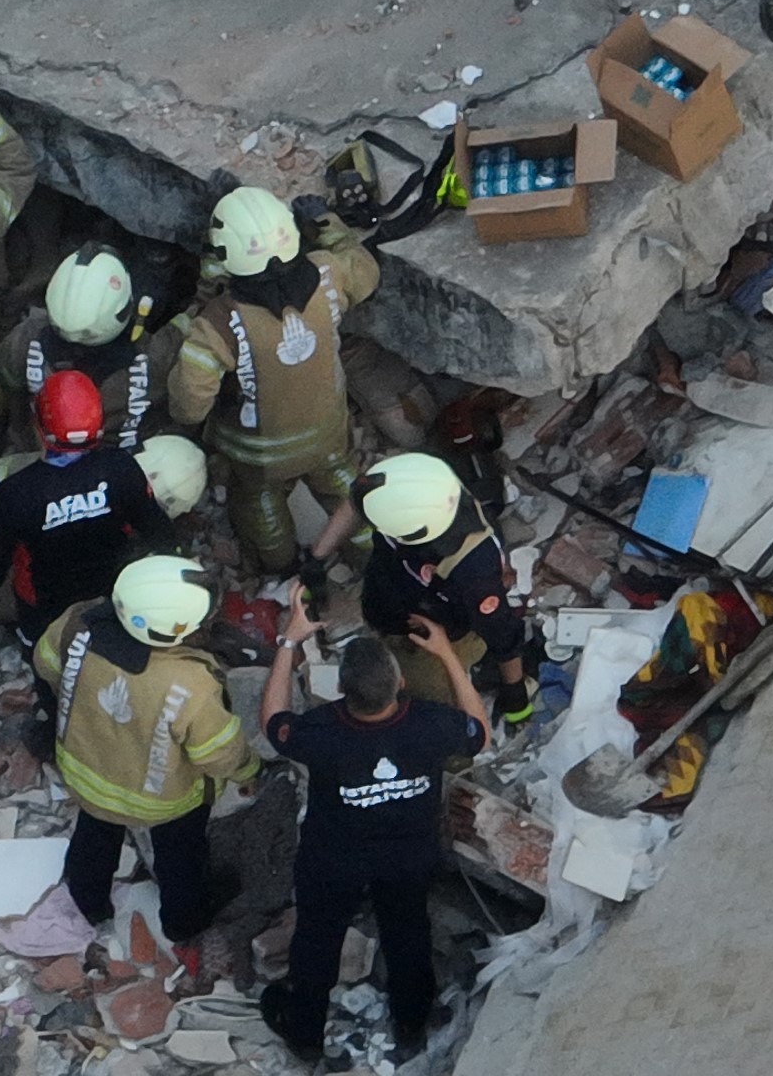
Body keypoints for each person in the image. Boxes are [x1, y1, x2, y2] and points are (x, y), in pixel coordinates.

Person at [253, 614, 486, 1065]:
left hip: (334, 858)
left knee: (317, 941)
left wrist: (288, 643)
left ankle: (305, 1033)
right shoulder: (432, 724)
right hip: (408, 855)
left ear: (343, 691)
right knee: (407, 933)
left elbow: (273, 722)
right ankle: (411, 1022)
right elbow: (479, 730)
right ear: (399, 683)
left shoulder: (321, 730)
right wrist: (447, 655)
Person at [33, 559, 255, 952]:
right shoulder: (192, 683)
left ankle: (88, 901)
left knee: (95, 837)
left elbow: (47, 664)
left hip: (86, 771)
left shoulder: (80, 622)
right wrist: (248, 768)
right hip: (164, 801)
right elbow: (217, 755)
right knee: (180, 859)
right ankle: (184, 923)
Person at [170, 187, 376, 574]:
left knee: (260, 507)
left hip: (257, 454)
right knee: (344, 489)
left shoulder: (217, 322)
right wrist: (327, 225)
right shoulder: (328, 274)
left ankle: (279, 567)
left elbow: (189, 402)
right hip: (327, 430)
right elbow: (366, 273)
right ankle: (370, 556)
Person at [0, 372, 166, 657]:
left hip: (42, 602)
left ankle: (43, 678)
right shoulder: (121, 469)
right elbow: (154, 526)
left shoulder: (16, 492)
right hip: (111, 587)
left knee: (40, 649)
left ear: (40, 427)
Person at [326, 452, 540, 722]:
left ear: (411, 535)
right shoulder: (412, 483)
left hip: (439, 637)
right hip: (389, 599)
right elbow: (358, 501)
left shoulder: (473, 572)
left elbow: (502, 635)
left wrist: (515, 697)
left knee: (429, 700)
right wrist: (316, 557)